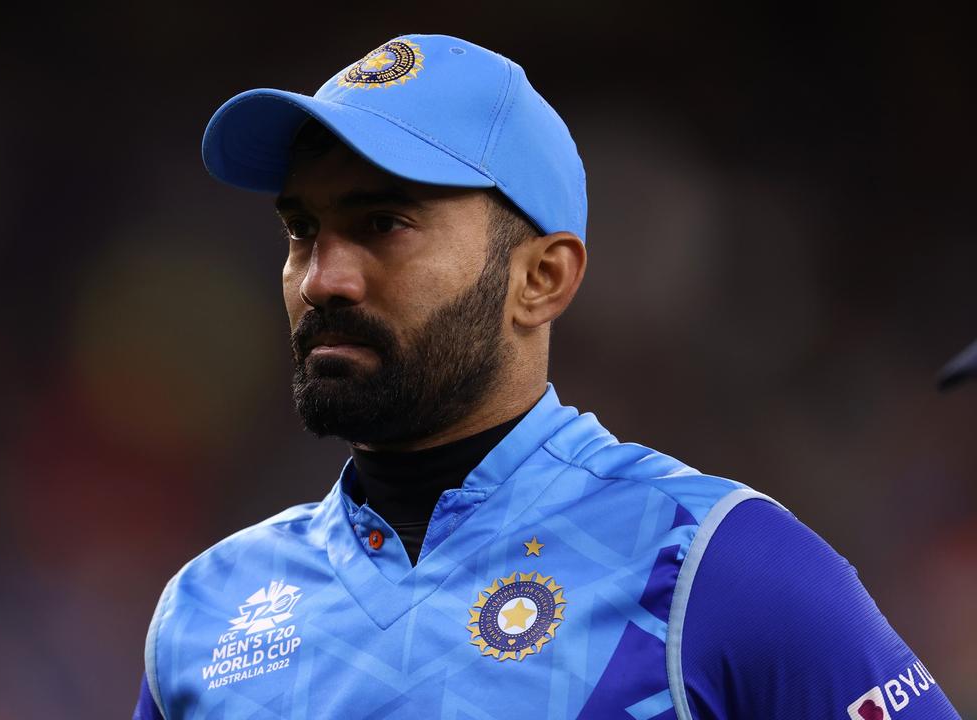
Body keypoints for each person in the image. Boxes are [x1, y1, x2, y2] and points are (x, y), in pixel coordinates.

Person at [134, 34, 960, 719]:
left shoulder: (715, 568)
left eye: (382, 222)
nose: (323, 278)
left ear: (542, 279)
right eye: (302, 230)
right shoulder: (204, 614)